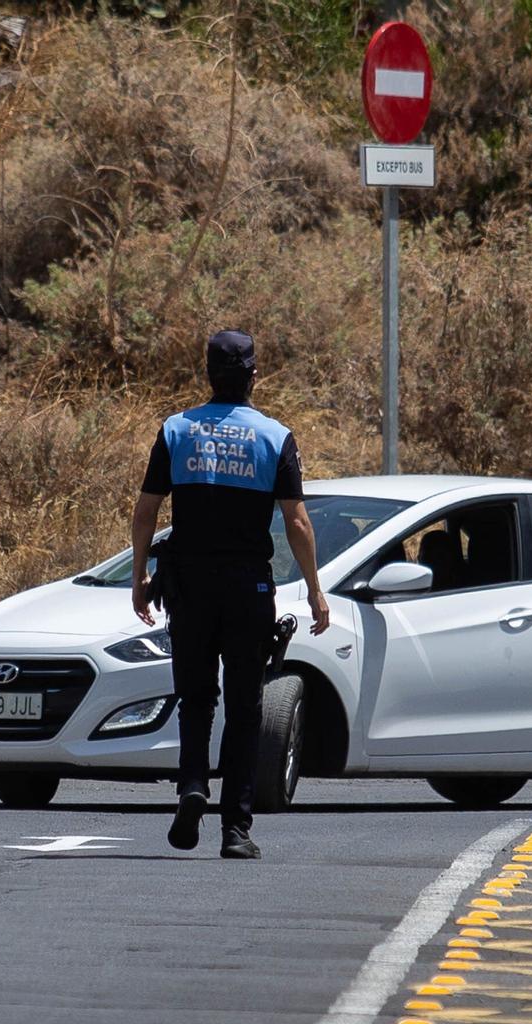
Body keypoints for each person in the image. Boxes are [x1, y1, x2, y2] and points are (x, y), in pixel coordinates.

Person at [130, 330, 331, 860]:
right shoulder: (275, 436)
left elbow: (147, 510)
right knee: (245, 705)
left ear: (207, 375)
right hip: (248, 586)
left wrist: (138, 577)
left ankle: (192, 785)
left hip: (188, 584)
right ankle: (235, 830)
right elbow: (298, 522)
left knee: (195, 698)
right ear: (253, 377)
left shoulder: (176, 430)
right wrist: (315, 590)